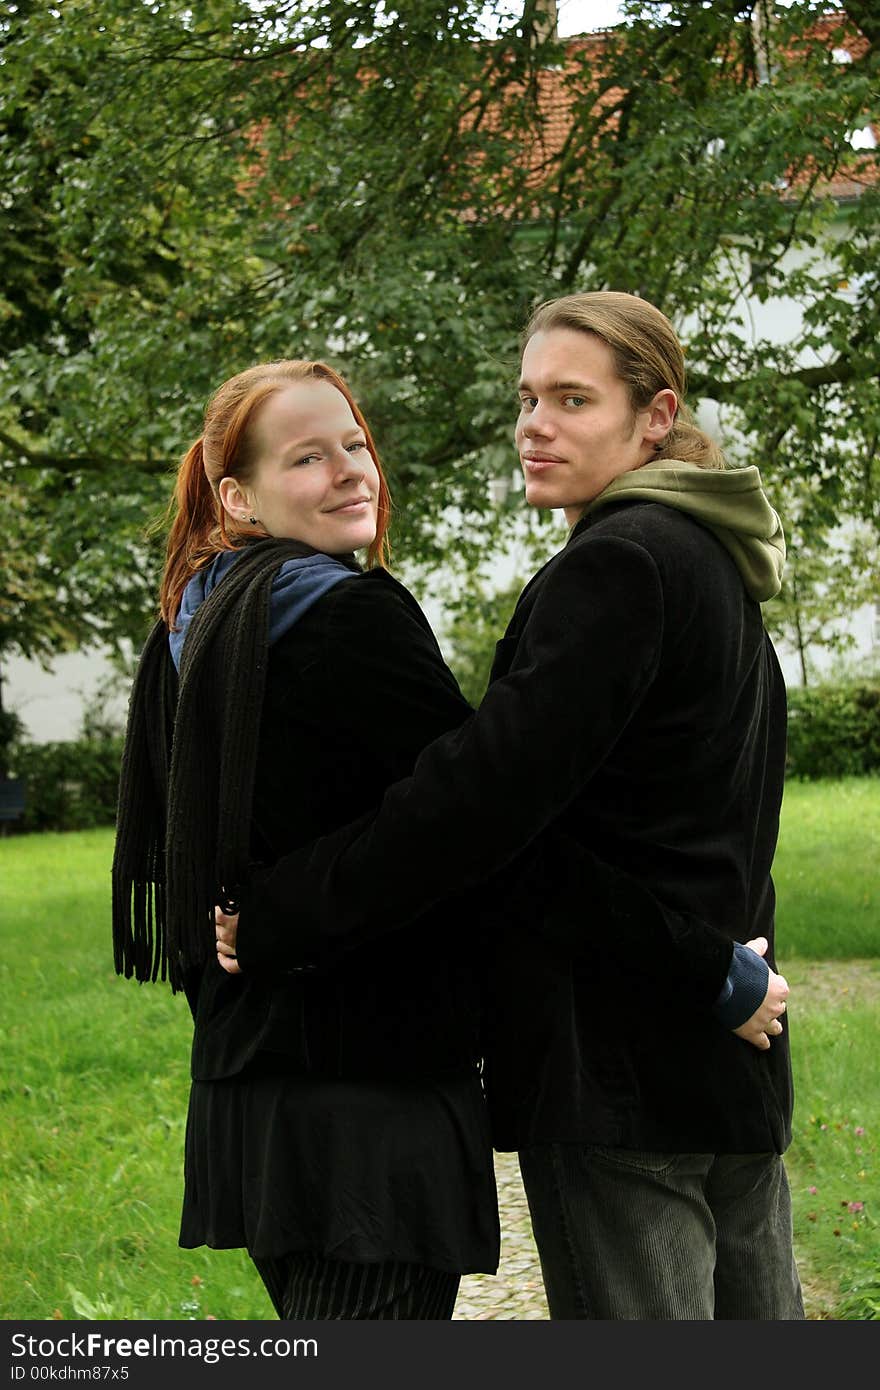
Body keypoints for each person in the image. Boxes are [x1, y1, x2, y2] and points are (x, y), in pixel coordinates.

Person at [216, 293, 804, 1320]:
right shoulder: (714, 557)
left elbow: (475, 811)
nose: (534, 425)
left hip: (618, 1067)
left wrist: (281, 910)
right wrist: (723, 974)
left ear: (654, 416)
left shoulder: (618, 565)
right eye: (527, 397)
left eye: (571, 399)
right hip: (724, 1058)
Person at [111, 358, 503, 1320]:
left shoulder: (191, 630)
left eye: (355, 444)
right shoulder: (350, 617)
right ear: (237, 496)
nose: (352, 470)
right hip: (373, 1096)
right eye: (309, 458)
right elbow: (477, 818)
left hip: (251, 1101)